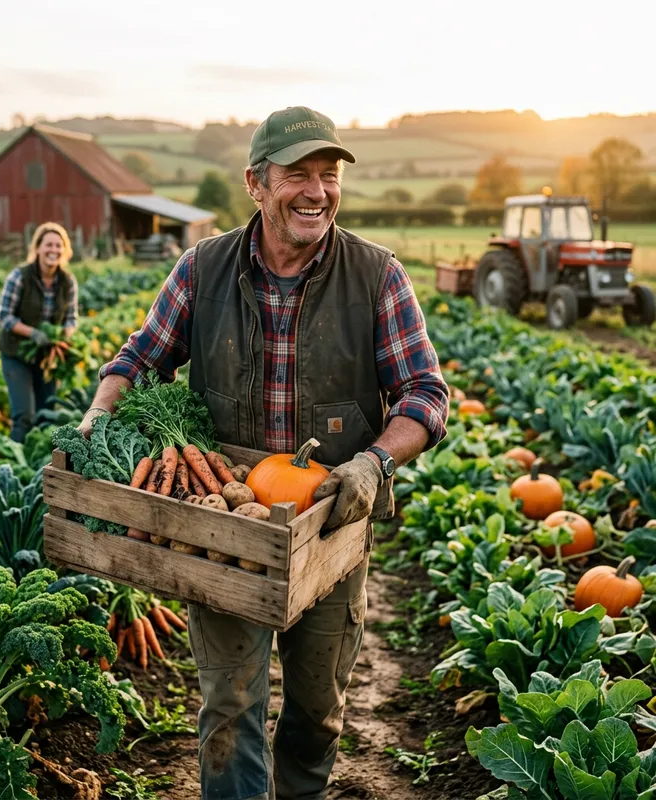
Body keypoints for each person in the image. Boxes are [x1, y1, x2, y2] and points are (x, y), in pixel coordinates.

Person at [79, 106, 449, 800]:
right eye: (298, 175)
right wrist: (102, 408)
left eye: (329, 175)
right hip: (227, 531)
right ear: (256, 183)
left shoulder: (377, 276)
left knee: (317, 710)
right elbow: (140, 357)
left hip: (330, 528)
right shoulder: (203, 269)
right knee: (229, 708)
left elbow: (425, 394)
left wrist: (374, 461)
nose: (317, 192)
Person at [0, 222, 78, 443]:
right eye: (48, 244)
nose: (54, 250)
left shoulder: (67, 282)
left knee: (47, 413)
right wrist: (32, 333)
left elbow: (72, 317)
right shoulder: (19, 277)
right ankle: (14, 461)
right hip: (17, 354)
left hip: (47, 358)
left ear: (64, 250)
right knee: (24, 415)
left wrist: (63, 335)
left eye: (58, 245)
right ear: (38, 248)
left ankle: (41, 465)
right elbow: (4, 316)